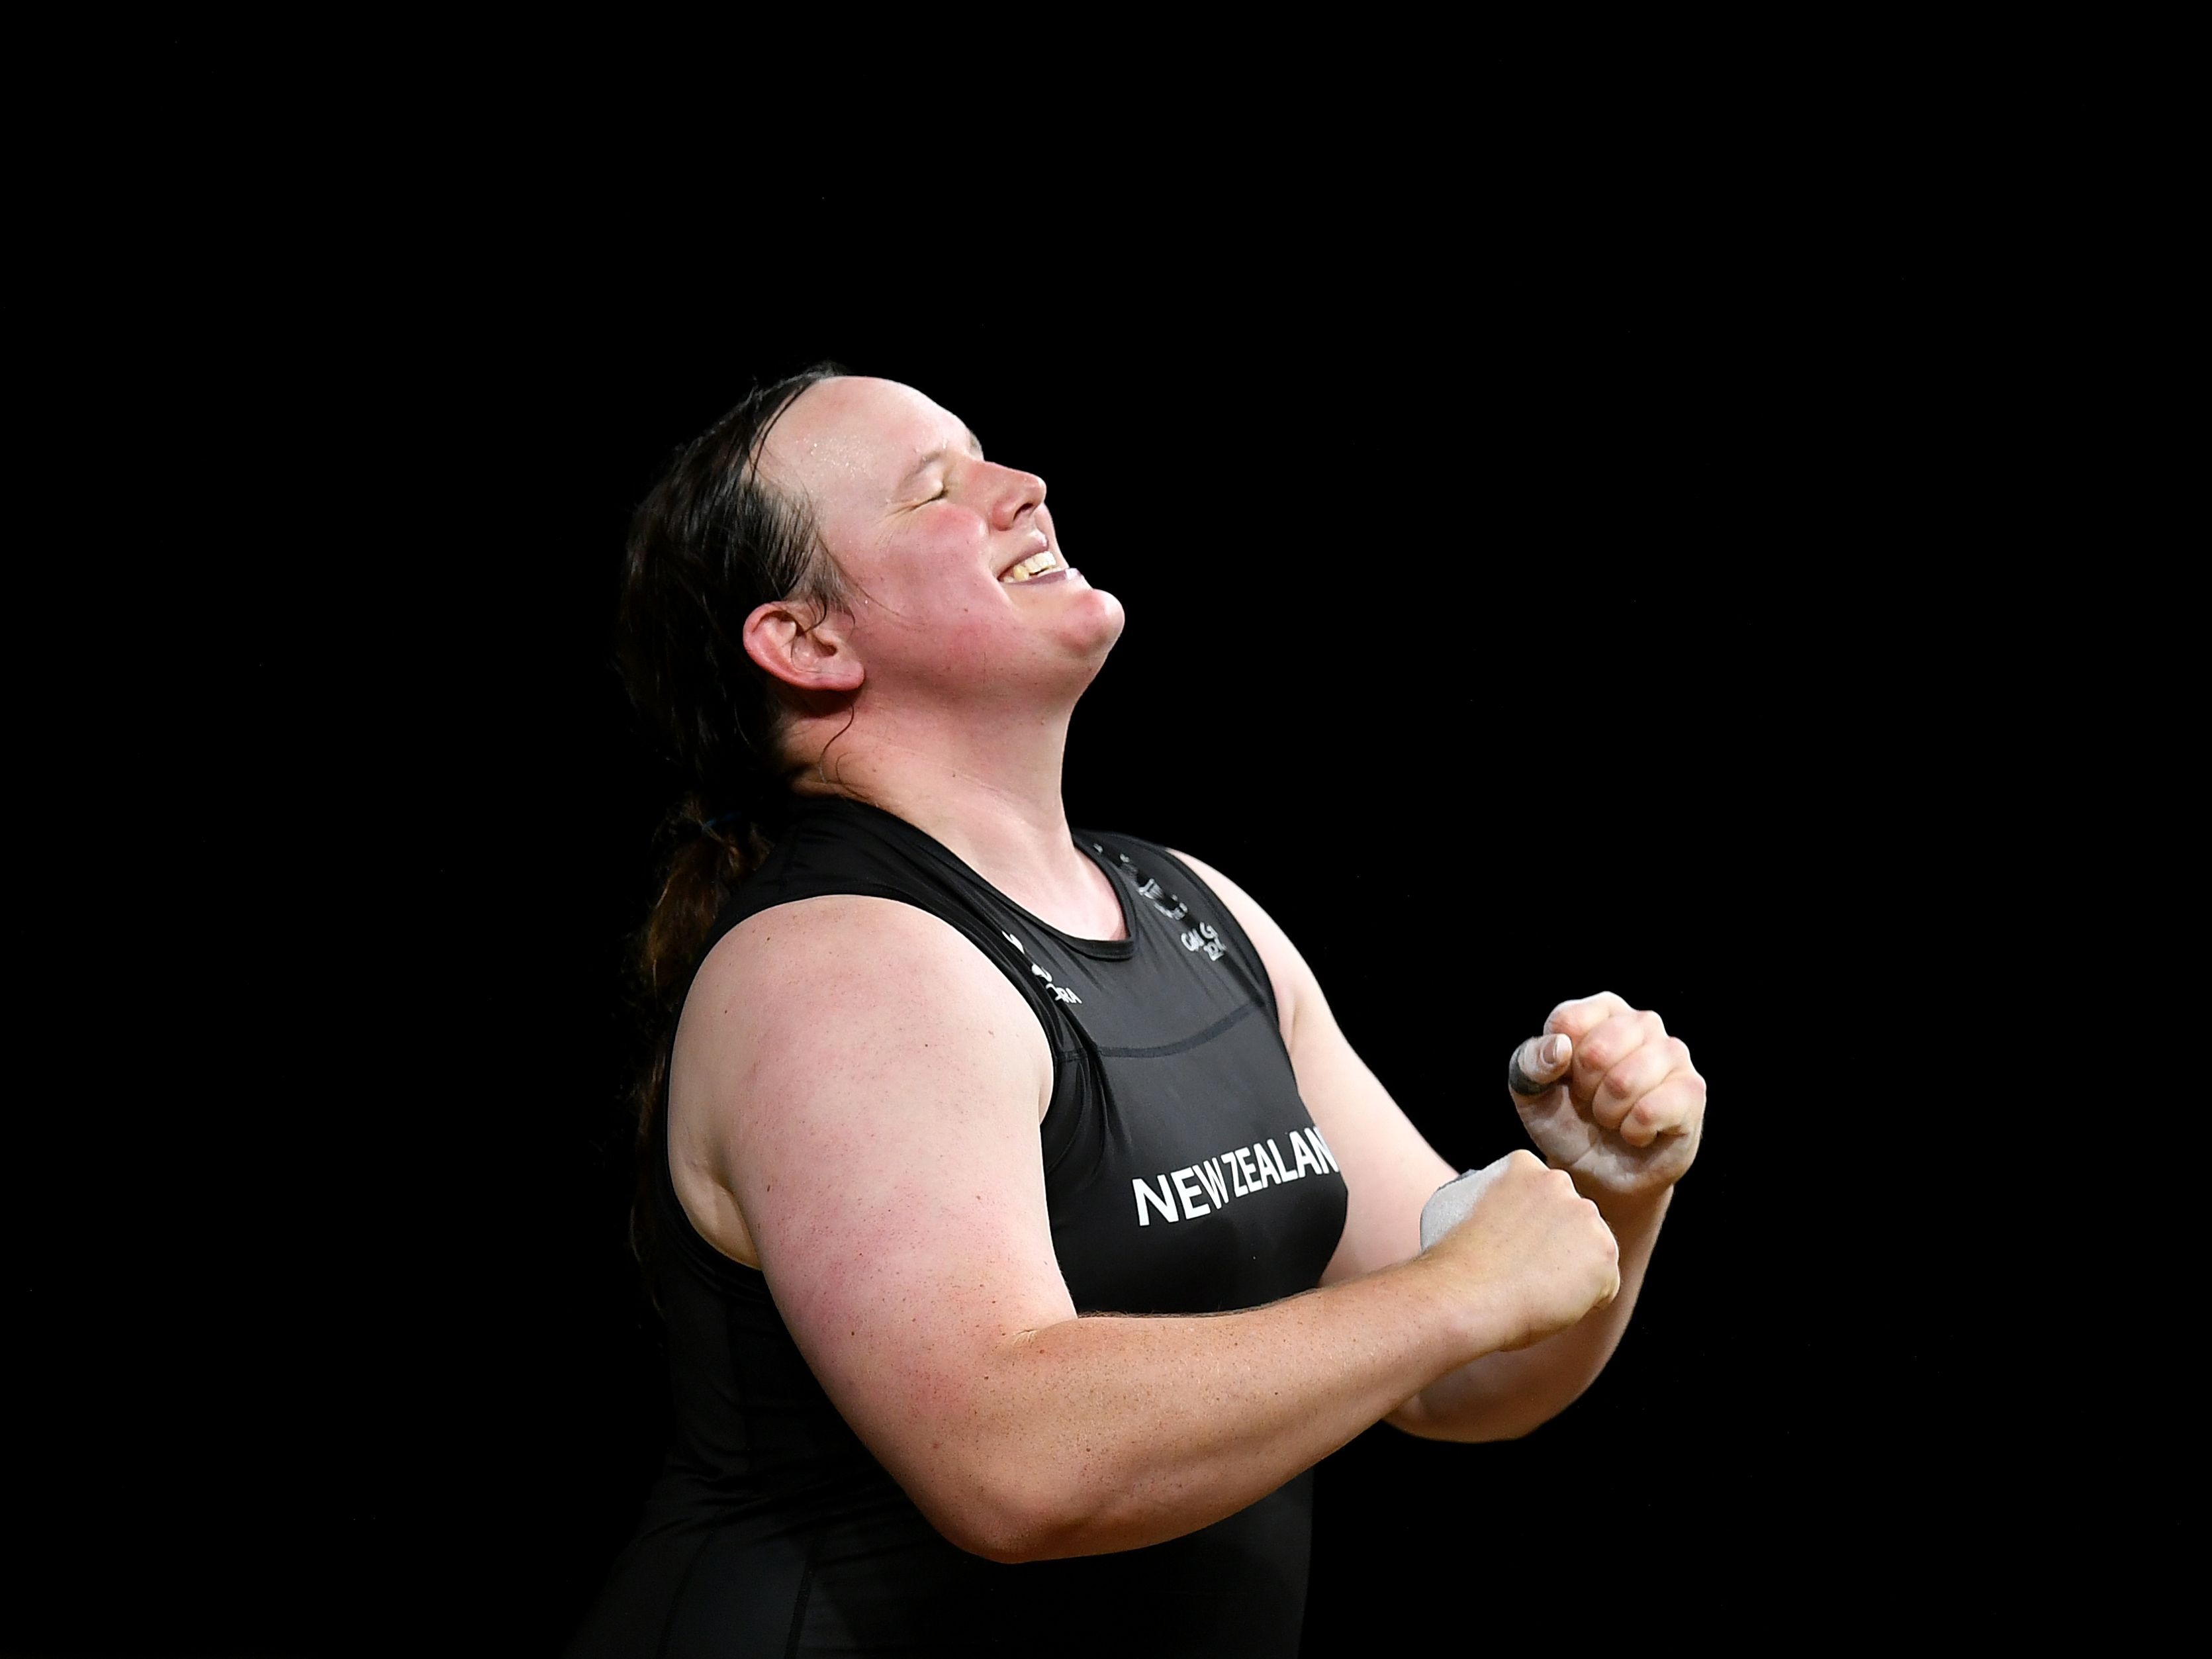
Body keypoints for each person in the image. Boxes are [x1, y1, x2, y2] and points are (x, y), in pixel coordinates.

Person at [566, 366, 1707, 1657]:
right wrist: (1456, 1291)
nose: (1023, 488)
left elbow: (1467, 1380)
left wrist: (1611, 1191)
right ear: (810, 642)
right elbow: (1010, 1463)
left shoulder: (1191, 908)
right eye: (937, 486)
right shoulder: (836, 964)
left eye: (990, 455)